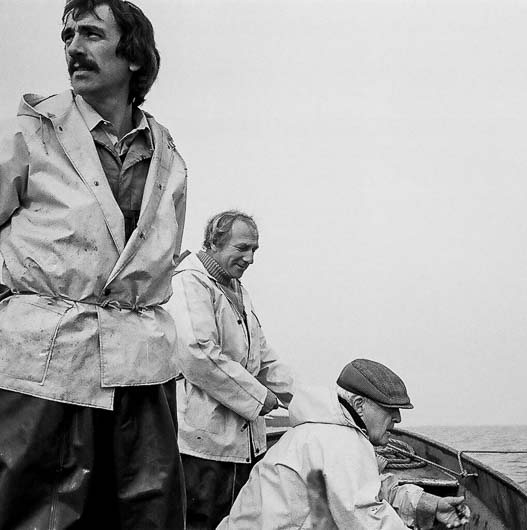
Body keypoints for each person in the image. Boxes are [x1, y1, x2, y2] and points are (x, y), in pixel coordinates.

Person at [0, 1, 188, 528]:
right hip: (41, 362)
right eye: (67, 36)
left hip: (141, 364)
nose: (73, 48)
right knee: (36, 509)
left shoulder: (168, 154)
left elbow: (164, 253)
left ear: (133, 56)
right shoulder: (30, 131)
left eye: (90, 34)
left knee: (145, 510)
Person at [219, 358, 471, 529]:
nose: (397, 418)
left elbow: (374, 489)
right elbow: (366, 518)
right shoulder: (339, 443)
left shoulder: (329, 433)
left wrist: (430, 504)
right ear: (360, 405)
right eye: (390, 409)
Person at [165, 210, 295, 530]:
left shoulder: (238, 291)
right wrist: (259, 396)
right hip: (203, 447)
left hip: (244, 448)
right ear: (214, 243)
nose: (250, 258)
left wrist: (312, 400)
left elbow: (264, 361)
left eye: (254, 250)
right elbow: (197, 354)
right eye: (242, 248)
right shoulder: (189, 282)